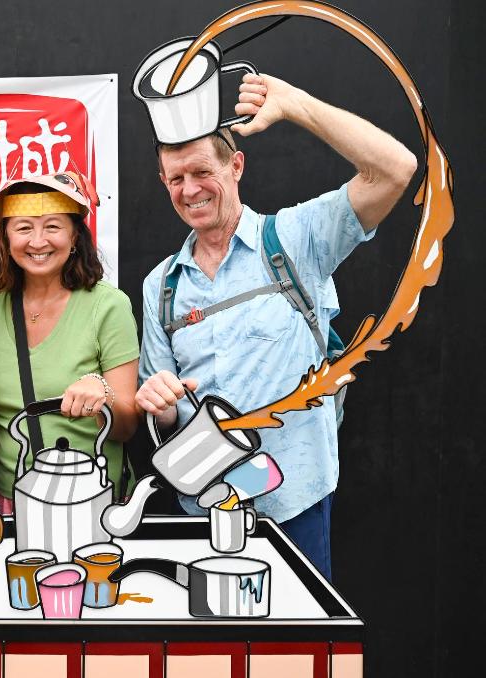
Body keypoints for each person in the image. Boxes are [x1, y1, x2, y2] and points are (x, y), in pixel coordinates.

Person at [136, 73, 418, 579]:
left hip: (294, 505)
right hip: (202, 510)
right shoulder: (161, 286)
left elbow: (396, 169)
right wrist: (159, 403)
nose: (190, 189)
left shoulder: (294, 240)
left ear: (236, 165)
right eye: (175, 178)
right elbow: (167, 419)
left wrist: (295, 104)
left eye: (202, 171)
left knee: (298, 632)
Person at [0, 172, 141, 514]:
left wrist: (103, 395)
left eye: (52, 226)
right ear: (5, 236)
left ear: (74, 236)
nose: (38, 241)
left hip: (90, 499)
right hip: (9, 499)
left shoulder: (109, 306)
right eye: (23, 227)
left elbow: (126, 428)